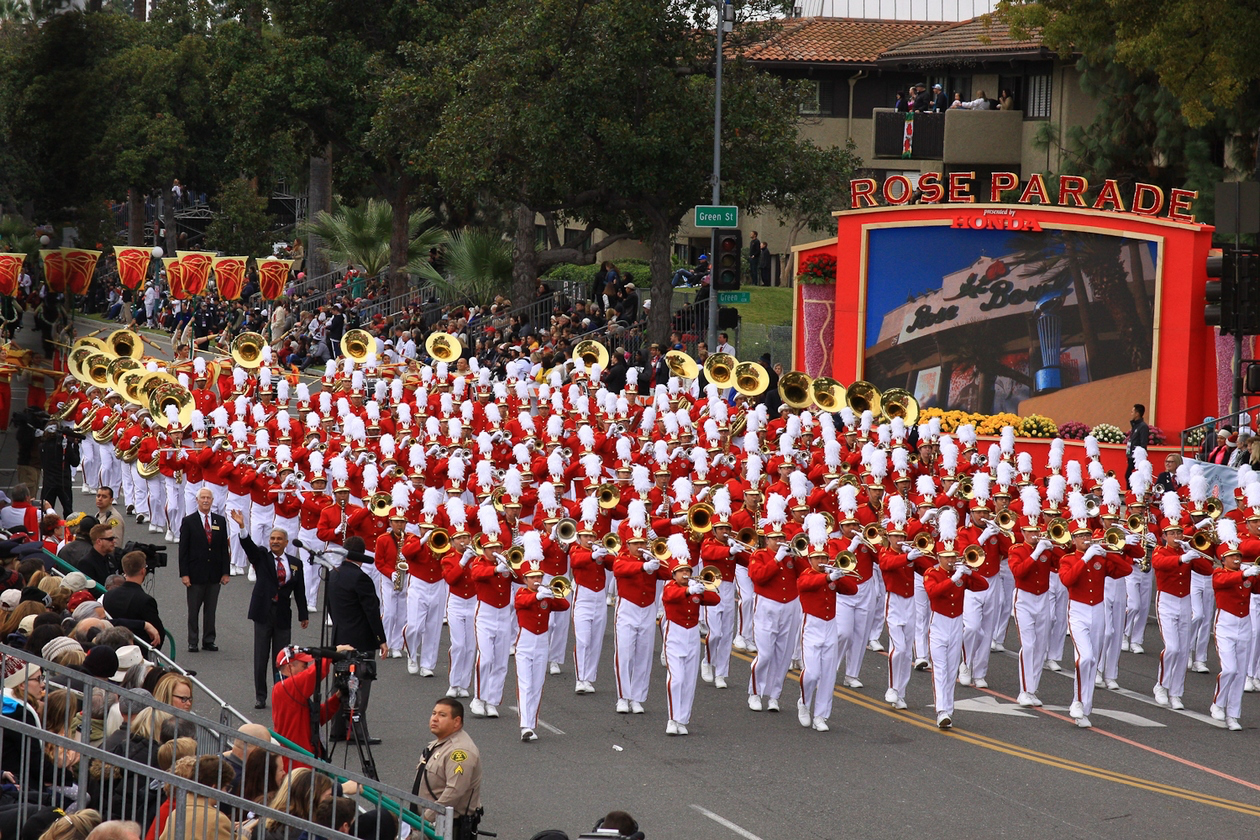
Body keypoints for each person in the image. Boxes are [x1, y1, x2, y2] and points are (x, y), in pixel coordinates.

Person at [234, 513, 309, 709]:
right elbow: (248, 547)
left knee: (282, 657)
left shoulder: (295, 563)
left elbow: (299, 590)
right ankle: (261, 696)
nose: (275, 542)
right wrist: (242, 527)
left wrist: (304, 614)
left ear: (286, 542)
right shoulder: (262, 557)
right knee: (261, 657)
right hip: (263, 613)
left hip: (283, 614)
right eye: (272, 539)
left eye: (278, 539)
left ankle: (280, 691)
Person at [327, 535, 386, 743]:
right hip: (360, 641)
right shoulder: (361, 578)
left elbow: (331, 609)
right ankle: (357, 733)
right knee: (359, 686)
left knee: (339, 684)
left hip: (340, 638)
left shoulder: (333, 575)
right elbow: (371, 611)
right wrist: (381, 639)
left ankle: (337, 730)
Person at [513, 563, 570, 741]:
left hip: (542, 642)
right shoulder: (522, 593)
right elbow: (520, 603)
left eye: (539, 577)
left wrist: (552, 593)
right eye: (532, 577)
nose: (537, 580)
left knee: (537, 685)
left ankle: (532, 723)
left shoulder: (545, 594)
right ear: (525, 580)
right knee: (525, 684)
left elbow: (565, 605)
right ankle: (525, 725)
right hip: (525, 642)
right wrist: (538, 595)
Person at [271, 644, 352, 764]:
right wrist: (332, 653)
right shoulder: (284, 688)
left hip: (305, 757)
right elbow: (314, 674)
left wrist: (338, 697)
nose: (306, 668)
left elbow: (317, 718)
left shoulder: (290, 690)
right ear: (289, 668)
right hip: (298, 762)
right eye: (304, 666)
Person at [413, 698, 483, 837]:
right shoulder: (439, 744)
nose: (435, 719)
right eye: (434, 713)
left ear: (456, 722)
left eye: (442, 715)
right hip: (432, 823)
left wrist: (426, 818)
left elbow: (454, 791)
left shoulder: (460, 752)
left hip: (448, 827)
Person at [178, 488, 231, 653]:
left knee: (211, 610)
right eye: (203, 498)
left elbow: (224, 548)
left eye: (209, 498)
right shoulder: (189, 521)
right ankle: (192, 641)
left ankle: (209, 640)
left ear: (212, 500)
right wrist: (184, 574)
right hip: (195, 575)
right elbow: (183, 551)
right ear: (197, 500)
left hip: (214, 574)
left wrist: (225, 572)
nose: (206, 501)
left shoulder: (220, 521)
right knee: (193, 610)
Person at [101, 550, 167, 646]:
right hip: (138, 649)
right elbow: (158, 632)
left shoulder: (108, 595)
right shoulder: (145, 600)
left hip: (112, 646)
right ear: (143, 571)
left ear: (125, 571)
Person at [1127, 404, 1150, 478]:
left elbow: (1143, 444)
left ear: (1137, 414)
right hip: (1131, 457)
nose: (1131, 414)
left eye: (1132, 412)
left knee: (1129, 476)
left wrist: (1140, 458)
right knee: (1129, 476)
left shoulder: (1143, 427)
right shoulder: (1135, 426)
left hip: (1136, 458)